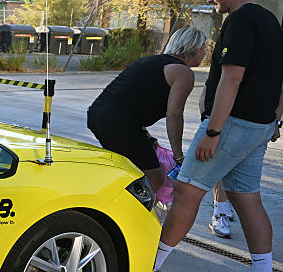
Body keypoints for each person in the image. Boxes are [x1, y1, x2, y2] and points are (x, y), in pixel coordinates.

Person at [154, 0, 283, 272]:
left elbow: (232, 78)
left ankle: (150, 267)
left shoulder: (239, 21)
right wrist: (275, 120)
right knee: (246, 198)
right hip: (258, 126)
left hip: (231, 125)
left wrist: (213, 131)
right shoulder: (270, 21)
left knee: (186, 192)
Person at [87, 26, 207, 195]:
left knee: (130, 171)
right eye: (203, 47)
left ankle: (111, 205)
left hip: (99, 116)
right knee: (154, 177)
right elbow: (174, 115)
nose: (205, 52)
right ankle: (128, 215)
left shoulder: (151, 61)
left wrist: (147, 138)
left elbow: (133, 100)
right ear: (193, 47)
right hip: (117, 122)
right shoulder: (183, 72)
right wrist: (178, 156)